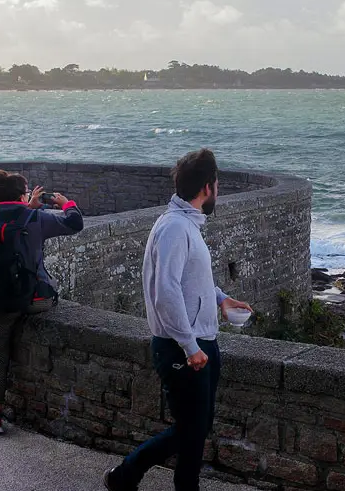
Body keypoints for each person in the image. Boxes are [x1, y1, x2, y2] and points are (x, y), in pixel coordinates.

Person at [104, 149, 253, 491]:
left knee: (197, 428)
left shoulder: (186, 224)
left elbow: (189, 280)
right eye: (217, 184)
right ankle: (128, 475)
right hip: (182, 347)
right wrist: (189, 346)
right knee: (191, 428)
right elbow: (166, 292)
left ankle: (127, 477)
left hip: (199, 342)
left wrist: (220, 298)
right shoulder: (174, 227)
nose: (218, 190)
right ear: (206, 187)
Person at [0, 169, 84, 435]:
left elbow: (13, 224)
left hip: (1, 302)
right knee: (51, 293)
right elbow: (75, 223)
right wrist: (65, 204)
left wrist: (28, 206)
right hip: (35, 301)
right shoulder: (37, 218)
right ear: (23, 195)